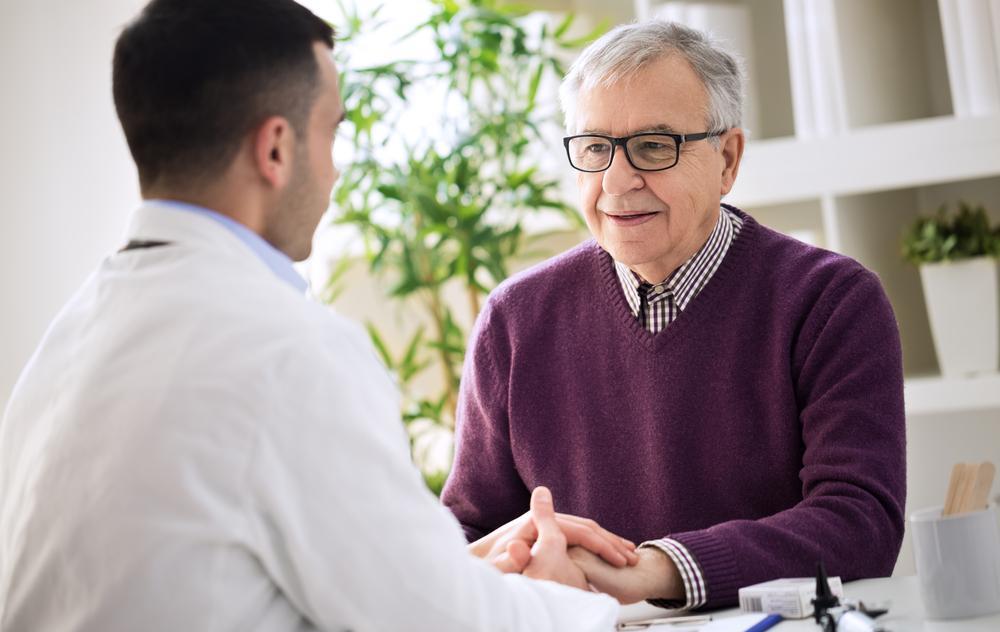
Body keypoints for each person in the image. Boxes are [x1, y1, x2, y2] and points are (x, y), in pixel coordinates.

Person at [0, 1, 639, 630]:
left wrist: (447, 568)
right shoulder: (286, 348)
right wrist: (575, 604)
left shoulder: (67, 344)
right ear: (275, 149)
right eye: (331, 132)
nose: (335, 171)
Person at [442, 20, 906, 611]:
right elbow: (465, 533)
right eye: (593, 148)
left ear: (727, 159)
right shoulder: (514, 319)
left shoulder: (831, 301)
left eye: (654, 147)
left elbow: (860, 524)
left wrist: (656, 569)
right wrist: (505, 557)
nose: (616, 181)